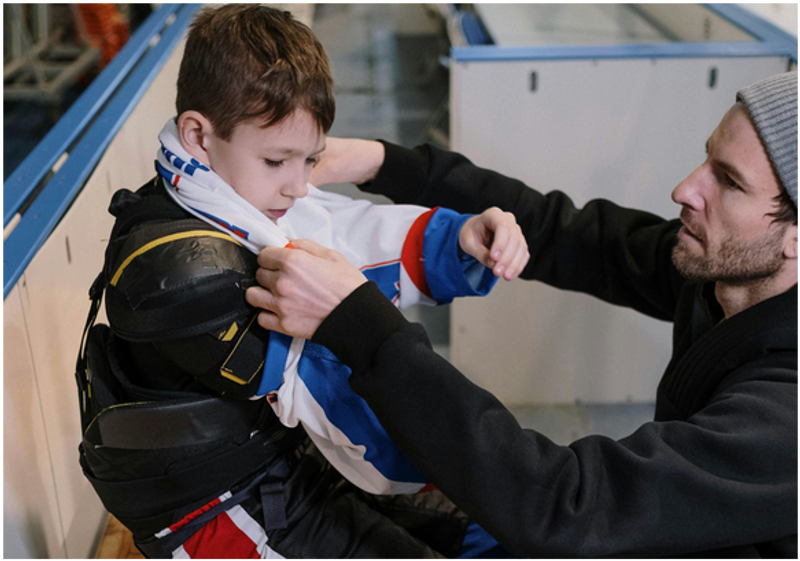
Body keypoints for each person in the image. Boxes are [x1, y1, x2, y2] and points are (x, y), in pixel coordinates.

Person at [245, 72, 800, 559]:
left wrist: (357, 322)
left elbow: (568, 508)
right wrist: (381, 163)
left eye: (728, 182)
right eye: (706, 158)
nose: (685, 188)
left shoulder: (785, 417)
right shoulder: (726, 276)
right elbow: (570, 234)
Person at [75, 5, 529, 559]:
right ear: (198, 133)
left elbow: (342, 234)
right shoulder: (188, 275)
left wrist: (457, 240)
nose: (298, 186)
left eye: (311, 159)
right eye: (278, 160)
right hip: (219, 511)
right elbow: (346, 402)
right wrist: (489, 469)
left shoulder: (228, 188)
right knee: (496, 513)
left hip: (284, 455)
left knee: (497, 533)